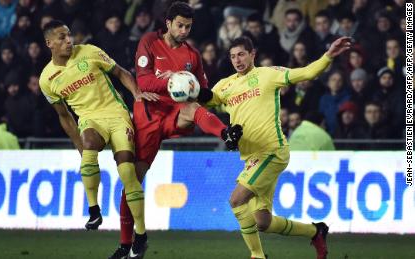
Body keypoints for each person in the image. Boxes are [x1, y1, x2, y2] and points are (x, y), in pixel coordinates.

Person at [109, 2, 243, 258]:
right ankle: (128, 243)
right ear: (167, 23)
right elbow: (144, 80)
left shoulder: (192, 56)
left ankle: (226, 133)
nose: (184, 31)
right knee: (132, 182)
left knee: (192, 106)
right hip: (147, 117)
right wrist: (172, 78)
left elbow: (203, 92)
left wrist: (198, 88)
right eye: (180, 25)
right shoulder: (149, 42)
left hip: (173, 114)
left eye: (188, 27)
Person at [204, 36, 351, 259]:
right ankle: (316, 231)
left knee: (236, 200)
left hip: (272, 152)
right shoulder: (224, 85)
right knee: (262, 221)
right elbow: (201, 101)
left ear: (253, 54)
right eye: (233, 56)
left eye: (241, 54)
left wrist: (328, 55)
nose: (237, 60)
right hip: (251, 158)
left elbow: (307, 73)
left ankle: (257, 256)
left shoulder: (268, 75)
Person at [39, 20, 158, 259]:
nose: (69, 41)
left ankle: (141, 235)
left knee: (127, 174)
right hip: (90, 120)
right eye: (62, 37)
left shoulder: (90, 51)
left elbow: (121, 73)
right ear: (49, 43)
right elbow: (64, 117)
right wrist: (79, 147)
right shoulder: (47, 79)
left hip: (116, 115)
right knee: (90, 146)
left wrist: (136, 94)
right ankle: (94, 209)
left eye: (69, 35)